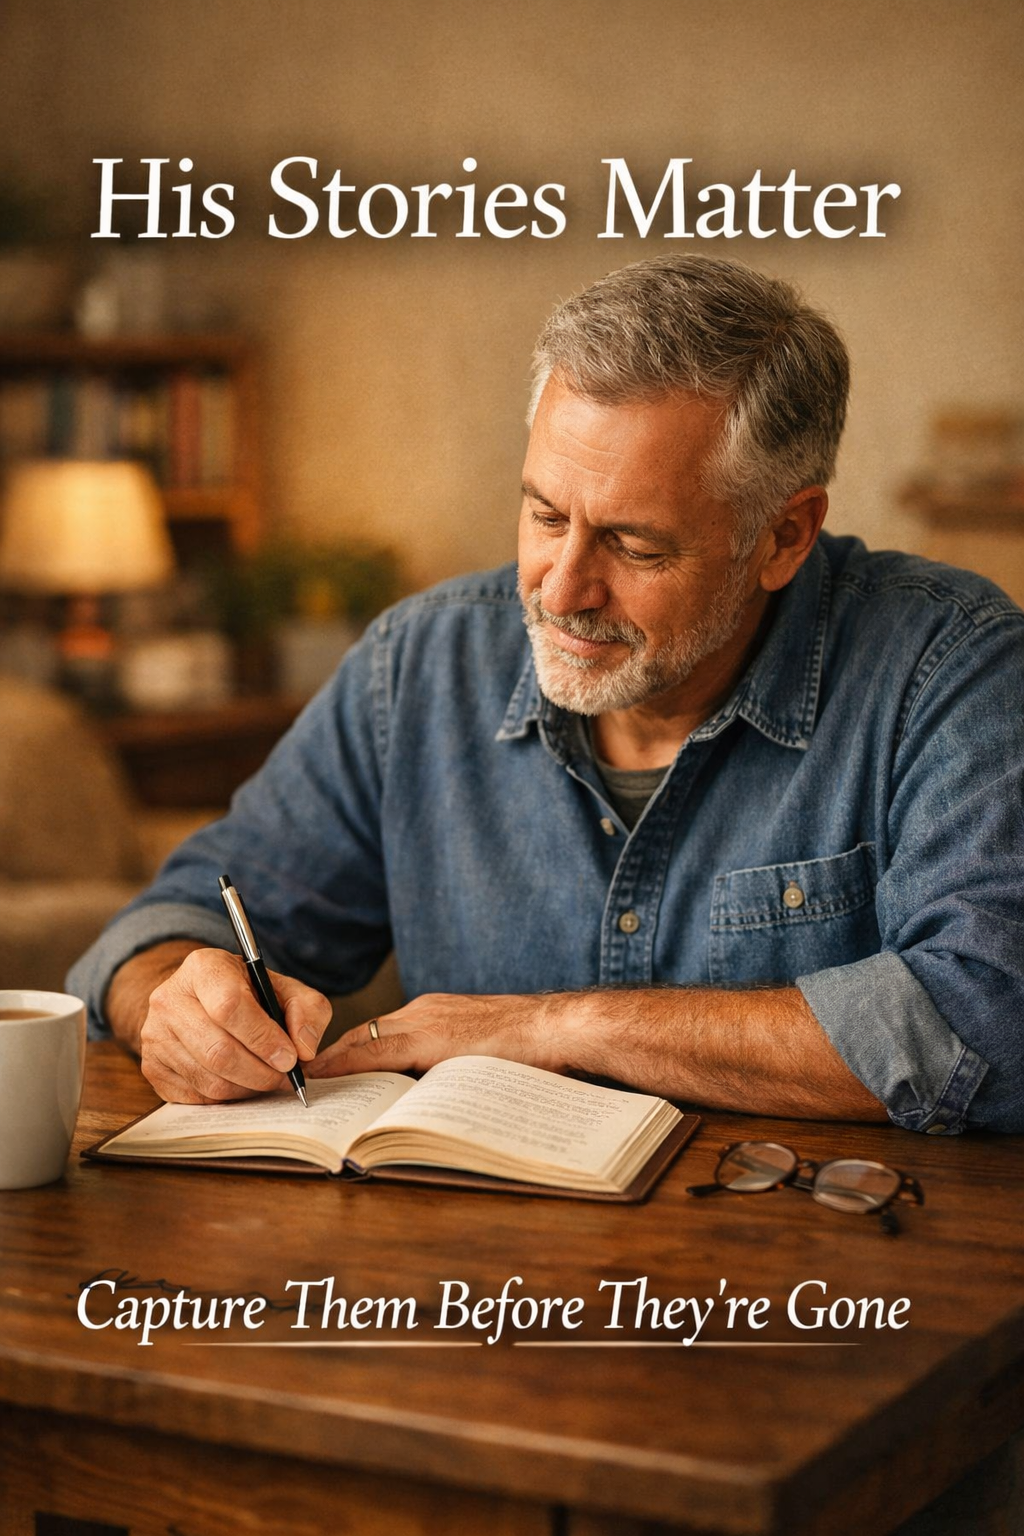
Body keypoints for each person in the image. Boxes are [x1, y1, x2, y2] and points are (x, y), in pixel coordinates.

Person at [69, 256, 1024, 1134]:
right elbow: (170, 923)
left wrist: (557, 1029)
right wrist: (174, 997)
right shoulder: (421, 664)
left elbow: (992, 1018)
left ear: (783, 536)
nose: (561, 590)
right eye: (544, 514)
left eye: (636, 545)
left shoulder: (953, 668)